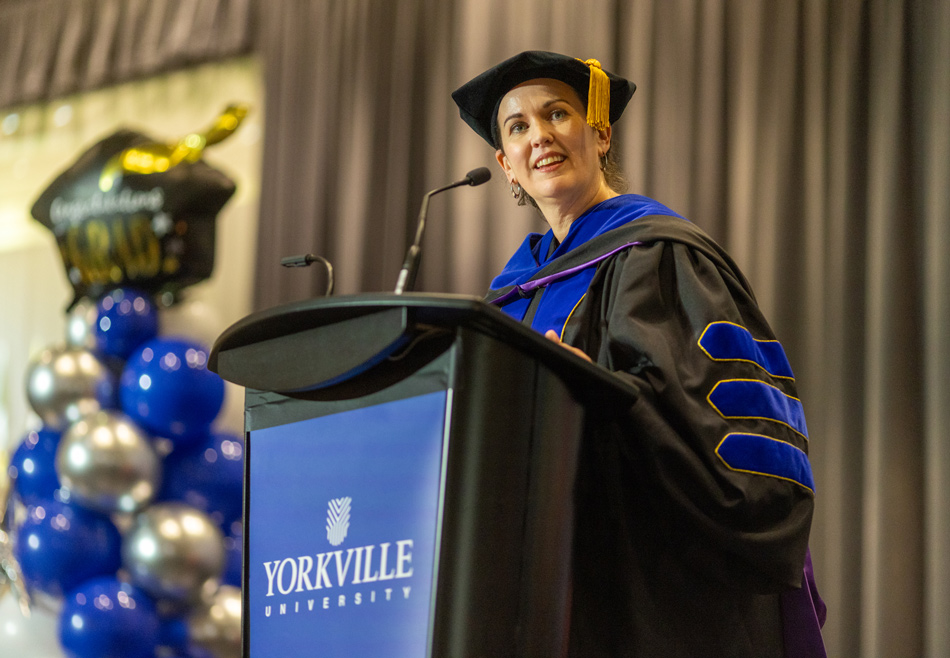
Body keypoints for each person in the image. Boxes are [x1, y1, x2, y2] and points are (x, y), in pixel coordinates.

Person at [452, 51, 826, 657]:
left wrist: (581, 391)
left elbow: (708, 425)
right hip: (533, 586)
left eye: (558, 114)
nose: (539, 136)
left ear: (599, 135)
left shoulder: (658, 251)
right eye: (517, 127)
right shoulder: (506, 299)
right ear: (505, 166)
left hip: (649, 585)